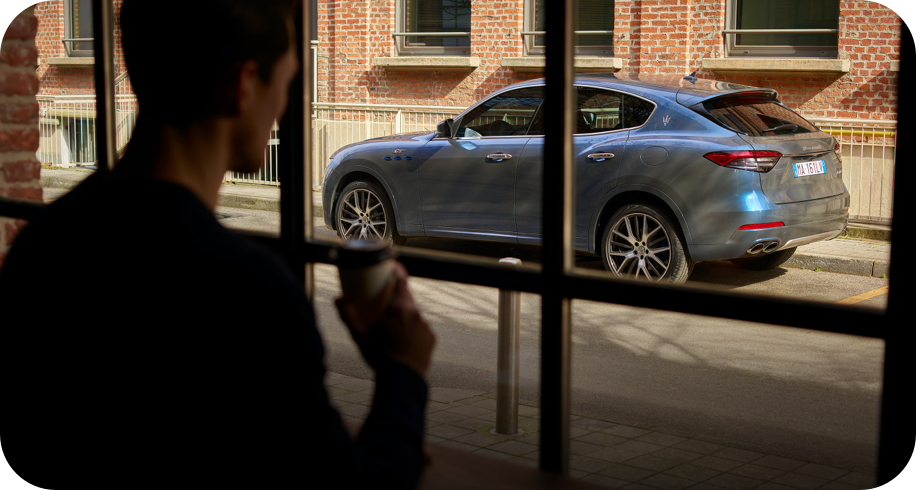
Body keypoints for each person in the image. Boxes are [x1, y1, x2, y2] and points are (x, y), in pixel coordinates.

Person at [0, 1, 435, 487]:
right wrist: (403, 369)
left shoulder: (41, 245)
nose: (287, 106)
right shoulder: (251, 293)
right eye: (287, 83)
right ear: (242, 86)